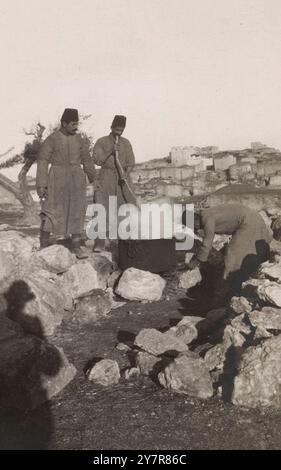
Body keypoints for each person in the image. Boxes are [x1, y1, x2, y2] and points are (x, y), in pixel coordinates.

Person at [36, 108, 95, 258]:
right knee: (50, 210)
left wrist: (93, 178)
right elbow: (42, 160)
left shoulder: (79, 139)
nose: (76, 127)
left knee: (77, 210)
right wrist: (41, 184)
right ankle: (43, 243)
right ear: (64, 123)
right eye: (73, 124)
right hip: (57, 178)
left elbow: (87, 159)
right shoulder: (52, 139)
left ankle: (76, 245)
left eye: (77, 124)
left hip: (76, 179)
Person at [184, 204, 273, 302]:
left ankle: (225, 294)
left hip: (247, 221)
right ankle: (236, 287)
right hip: (250, 217)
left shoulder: (206, 218)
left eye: (193, 226)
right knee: (241, 253)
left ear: (195, 219)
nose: (195, 229)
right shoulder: (206, 214)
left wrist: (197, 260)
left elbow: (207, 243)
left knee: (232, 255)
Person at [92, 115, 135, 251]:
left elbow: (131, 162)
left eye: (121, 130)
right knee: (102, 208)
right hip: (106, 178)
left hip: (122, 179)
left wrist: (126, 174)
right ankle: (99, 243)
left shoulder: (126, 143)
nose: (119, 132)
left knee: (123, 209)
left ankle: (121, 242)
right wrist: (111, 151)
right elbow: (97, 161)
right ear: (111, 127)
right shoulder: (102, 142)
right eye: (117, 129)